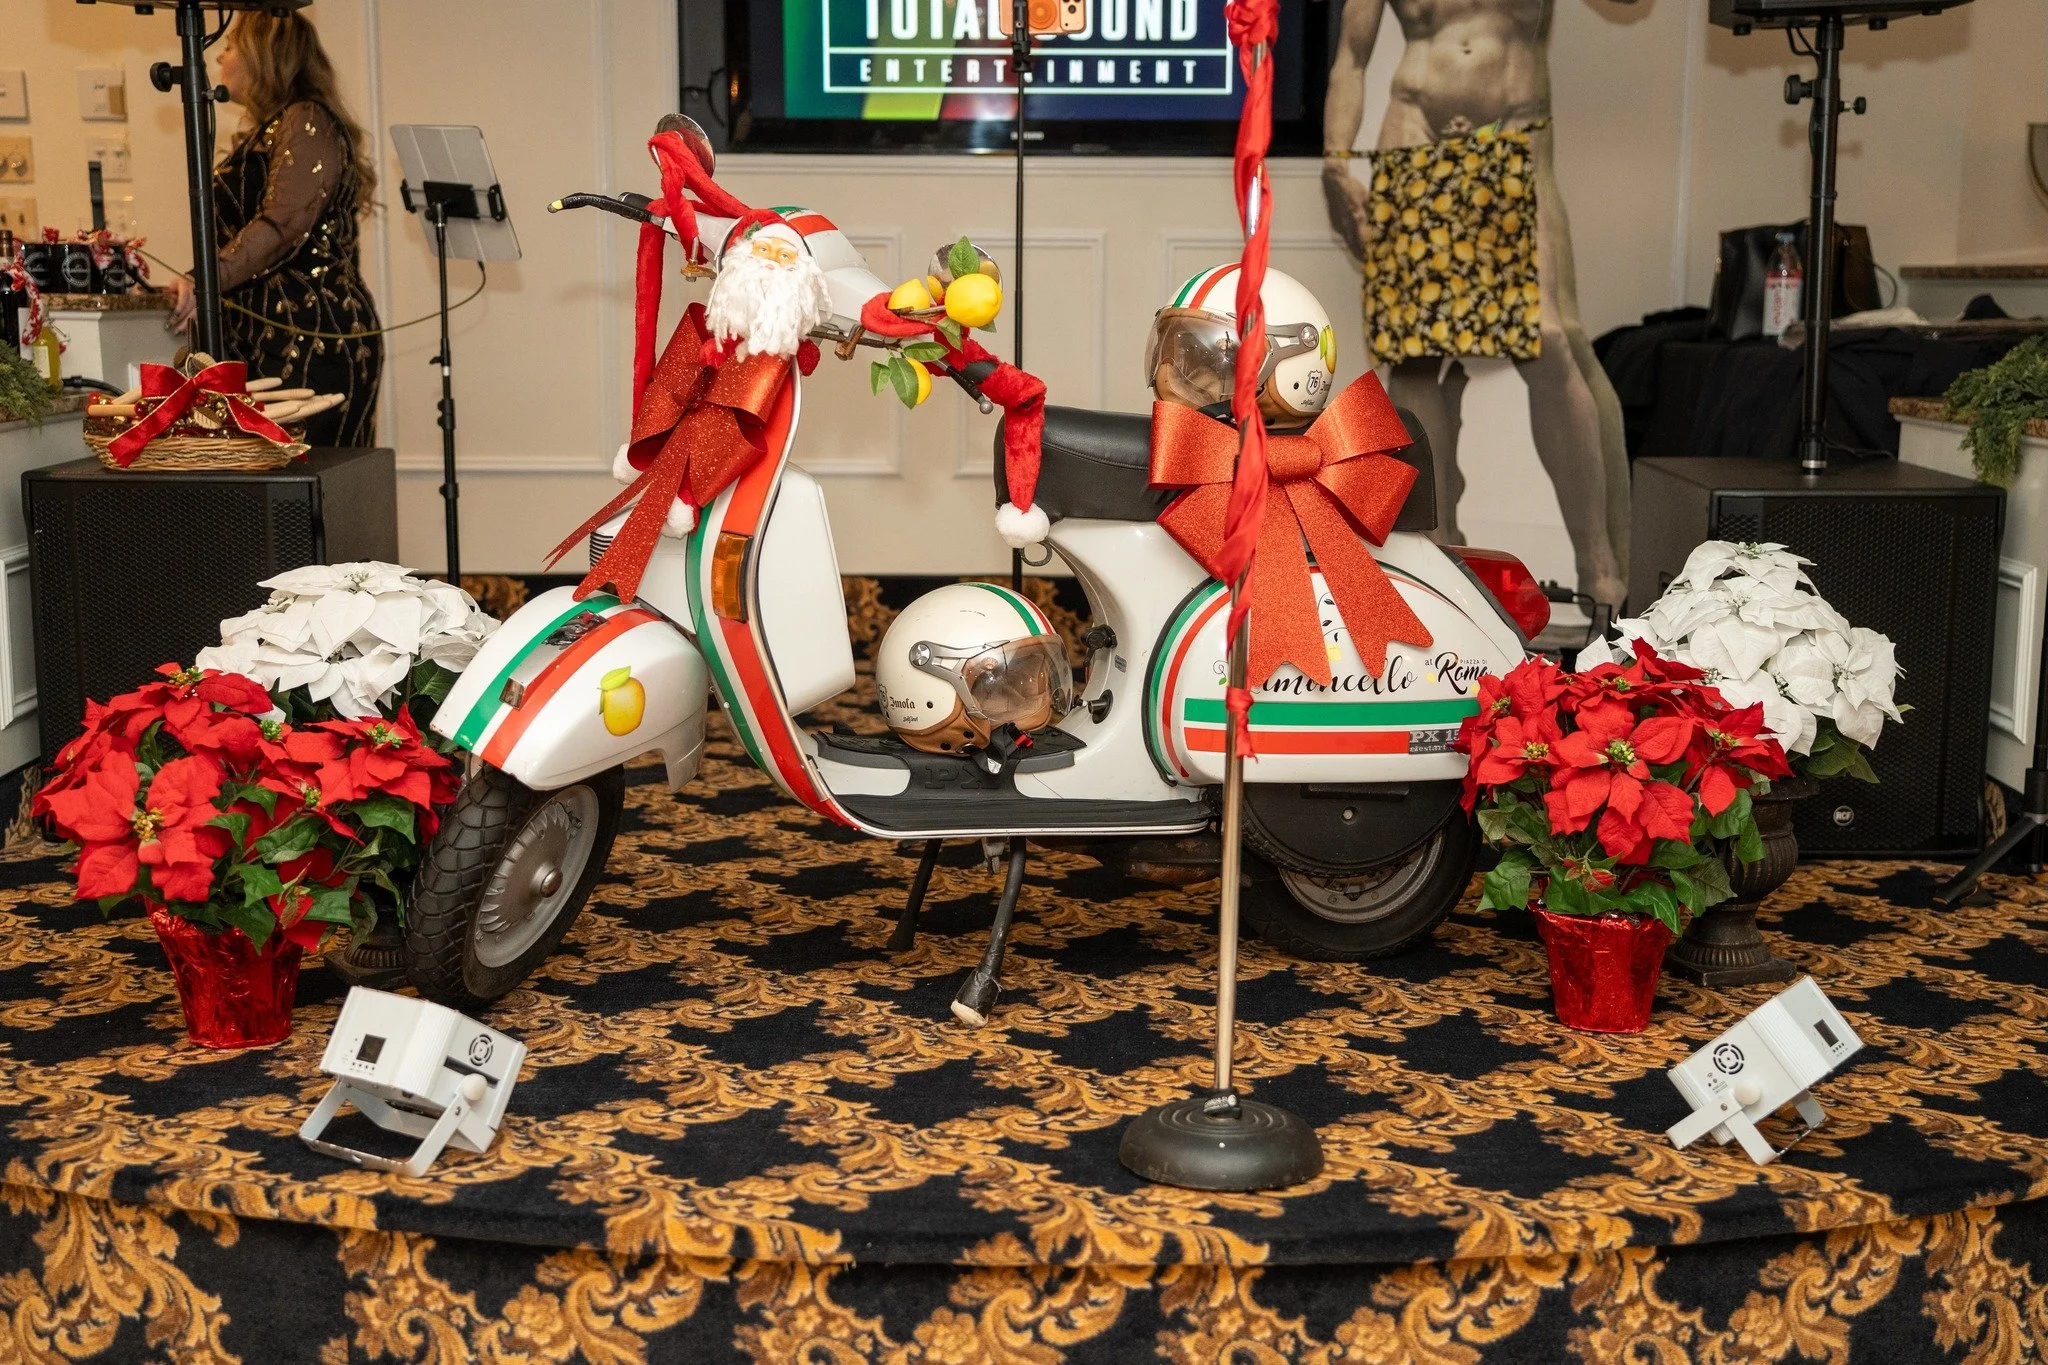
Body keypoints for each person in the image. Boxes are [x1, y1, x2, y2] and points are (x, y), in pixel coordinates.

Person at [1322, 0, 1632, 609]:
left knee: (1551, 339)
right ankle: (1435, 557)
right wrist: (1337, 158)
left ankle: (1603, 570)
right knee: (1413, 356)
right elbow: (1351, 58)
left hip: (1513, 133)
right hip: (1412, 133)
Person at [167, 11, 381, 448]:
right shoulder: (276, 128)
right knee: (276, 496)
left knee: (306, 487)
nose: (219, 59)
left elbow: (284, 223)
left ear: (262, 58)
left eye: (229, 47)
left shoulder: (306, 119)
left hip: (309, 335)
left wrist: (204, 281)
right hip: (268, 335)